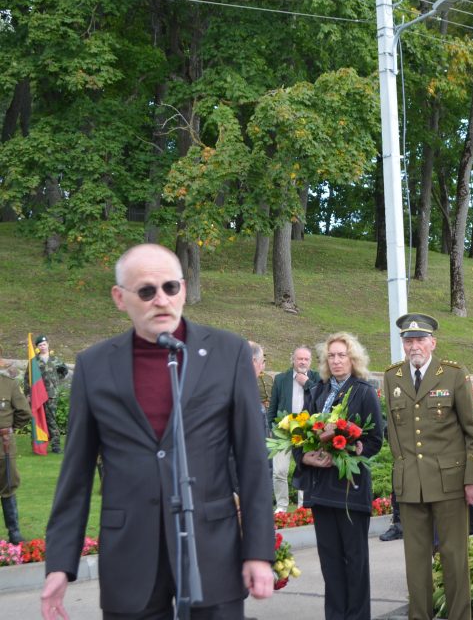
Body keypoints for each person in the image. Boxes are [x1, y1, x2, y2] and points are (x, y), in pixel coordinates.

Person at [41, 243, 274, 619]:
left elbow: (252, 461)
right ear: (120, 297)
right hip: (130, 558)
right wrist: (59, 563)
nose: (161, 300)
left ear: (183, 288)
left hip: (211, 554)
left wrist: (259, 552)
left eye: (170, 287)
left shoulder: (228, 353)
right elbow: (76, 473)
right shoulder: (94, 365)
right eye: (146, 291)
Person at [383, 312, 473, 620]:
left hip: (449, 483)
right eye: (408, 340)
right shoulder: (392, 377)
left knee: (454, 560)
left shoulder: (453, 375)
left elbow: (472, 432)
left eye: (420, 340)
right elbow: (395, 434)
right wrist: (399, 477)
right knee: (415, 563)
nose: (414, 346)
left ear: (432, 343)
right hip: (411, 484)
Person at [293, 332, 384, 620]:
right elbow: (301, 434)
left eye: (341, 355)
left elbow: (374, 440)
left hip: (349, 491)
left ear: (352, 358)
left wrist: (346, 453)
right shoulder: (317, 391)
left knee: (354, 561)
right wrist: (304, 456)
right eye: (331, 355)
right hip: (321, 491)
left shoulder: (364, 391)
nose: (336, 360)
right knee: (330, 562)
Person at [267, 346, 318, 512]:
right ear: (293, 360)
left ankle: (304, 506)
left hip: (306, 431)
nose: (302, 362)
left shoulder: (317, 378)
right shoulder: (281, 379)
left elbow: (321, 398)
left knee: (304, 469)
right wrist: (271, 428)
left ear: (310, 361)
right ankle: (282, 506)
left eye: (306, 359)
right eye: (299, 359)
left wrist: (307, 384)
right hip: (283, 431)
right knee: (279, 471)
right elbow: (272, 406)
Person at [1, 355, 31, 544]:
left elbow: (24, 413)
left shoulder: (8, 385)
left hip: (3, 445)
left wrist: (9, 431)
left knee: (8, 486)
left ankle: (14, 533)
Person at [24, 334, 69, 453]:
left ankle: (56, 446)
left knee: (51, 420)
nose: (43, 346)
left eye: (44, 344)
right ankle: (38, 445)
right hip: (38, 395)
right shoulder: (34, 361)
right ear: (37, 347)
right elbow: (27, 378)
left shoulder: (56, 360)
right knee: (37, 419)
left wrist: (55, 382)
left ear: (48, 344)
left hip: (51, 394)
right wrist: (28, 394)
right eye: (40, 345)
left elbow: (64, 372)